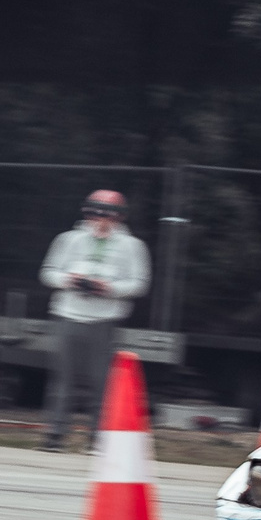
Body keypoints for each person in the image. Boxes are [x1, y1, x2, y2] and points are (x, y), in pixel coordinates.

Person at [38, 189, 151, 450]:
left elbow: (139, 283)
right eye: (94, 214)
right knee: (62, 379)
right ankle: (54, 435)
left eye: (107, 215)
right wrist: (69, 280)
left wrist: (108, 288)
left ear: (119, 218)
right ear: (86, 214)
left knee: (101, 381)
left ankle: (98, 438)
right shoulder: (69, 240)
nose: (100, 220)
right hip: (68, 314)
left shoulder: (132, 246)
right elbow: (48, 273)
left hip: (105, 319)